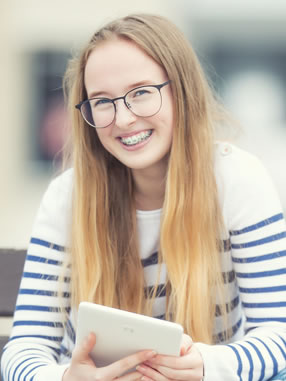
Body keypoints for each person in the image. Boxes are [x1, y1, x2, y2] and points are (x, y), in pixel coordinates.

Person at [1, 13, 286, 381]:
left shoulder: (236, 178)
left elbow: (280, 333)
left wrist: (206, 366)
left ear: (180, 91)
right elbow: (25, 347)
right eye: (102, 101)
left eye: (140, 93)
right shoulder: (67, 196)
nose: (123, 119)